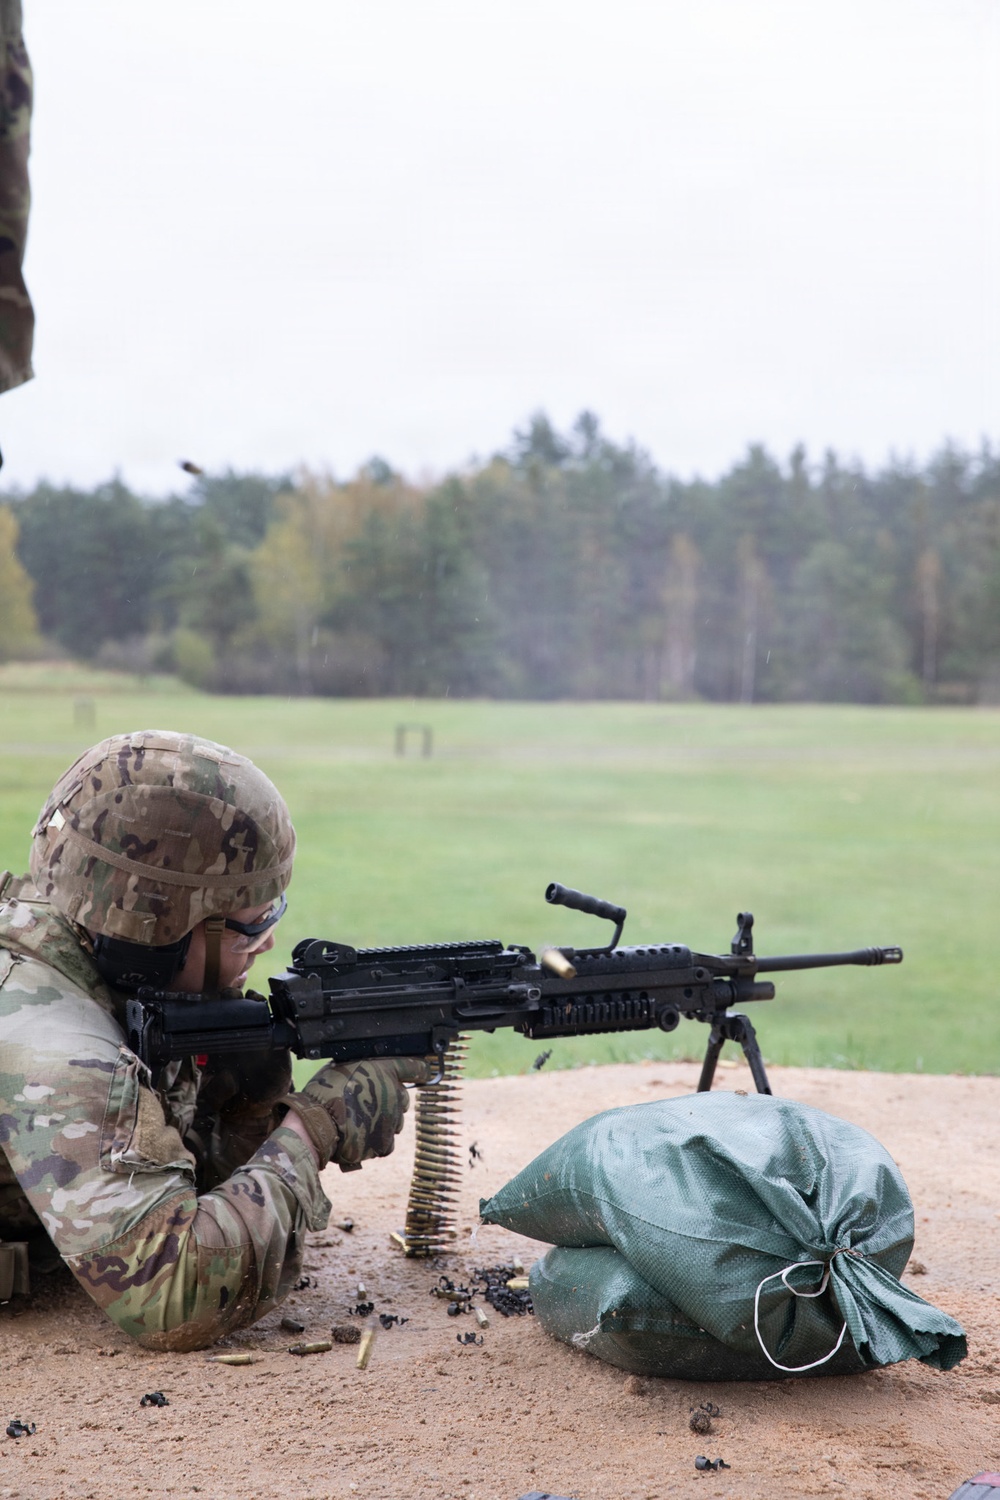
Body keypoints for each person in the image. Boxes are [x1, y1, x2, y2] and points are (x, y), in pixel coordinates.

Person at [0, 729, 427, 1349]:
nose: (268, 945)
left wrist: (241, 1103)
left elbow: (166, 1186)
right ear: (161, 929)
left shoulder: (74, 920)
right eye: (252, 928)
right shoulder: (54, 1045)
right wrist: (314, 1127)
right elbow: (174, 1294)